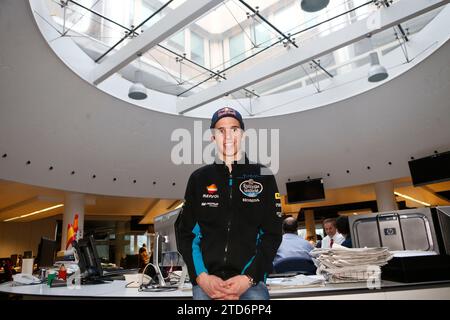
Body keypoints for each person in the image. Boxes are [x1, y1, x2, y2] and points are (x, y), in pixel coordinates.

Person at [175, 107, 282, 300]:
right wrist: (201, 277)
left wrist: (248, 278)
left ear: (243, 134)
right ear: (212, 137)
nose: (228, 136)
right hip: (208, 282)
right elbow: (186, 234)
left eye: (234, 129)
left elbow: (272, 235)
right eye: (221, 130)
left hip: (250, 282)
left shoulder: (263, 175)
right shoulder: (199, 179)